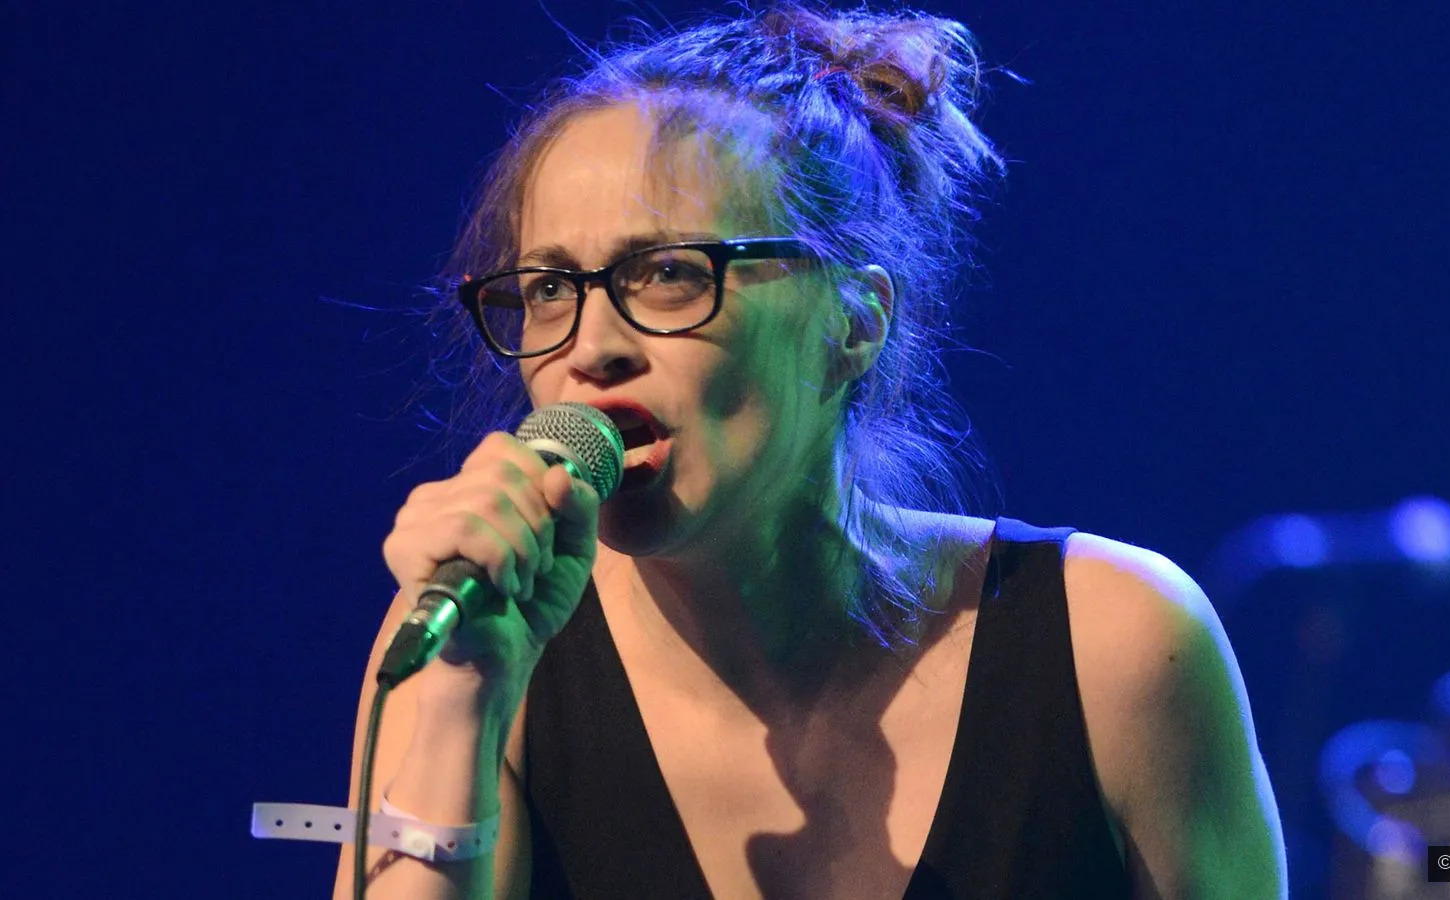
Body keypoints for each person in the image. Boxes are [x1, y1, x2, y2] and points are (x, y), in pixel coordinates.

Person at [334, 5, 1286, 897]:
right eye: (549, 289)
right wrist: (461, 703)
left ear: (853, 322)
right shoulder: (473, 637)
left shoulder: (1117, 643)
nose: (590, 345)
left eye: (668, 273)